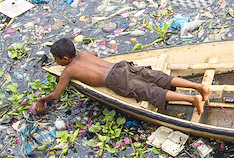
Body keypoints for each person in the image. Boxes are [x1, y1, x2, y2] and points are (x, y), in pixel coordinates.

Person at [35, 38, 210, 114]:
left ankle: (191, 99)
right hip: (121, 66)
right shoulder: (83, 54)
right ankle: (199, 87)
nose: (56, 62)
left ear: (65, 58)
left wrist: (42, 99)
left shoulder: (68, 71)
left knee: (149, 91)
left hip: (114, 79)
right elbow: (95, 53)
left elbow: (56, 95)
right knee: (158, 77)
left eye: (56, 59)